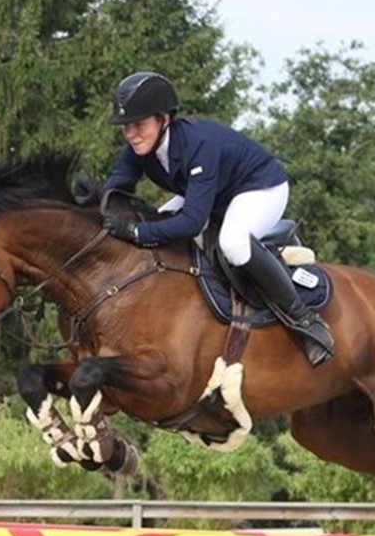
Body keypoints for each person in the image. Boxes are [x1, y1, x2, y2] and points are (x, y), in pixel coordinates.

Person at [98, 71, 334, 366]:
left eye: (139, 124)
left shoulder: (199, 146)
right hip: (215, 191)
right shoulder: (140, 148)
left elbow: (193, 222)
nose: (131, 134)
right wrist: (93, 201)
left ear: (164, 119)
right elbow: (118, 185)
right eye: (126, 126)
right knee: (159, 219)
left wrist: (136, 233)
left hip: (259, 187)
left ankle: (305, 320)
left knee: (232, 243)